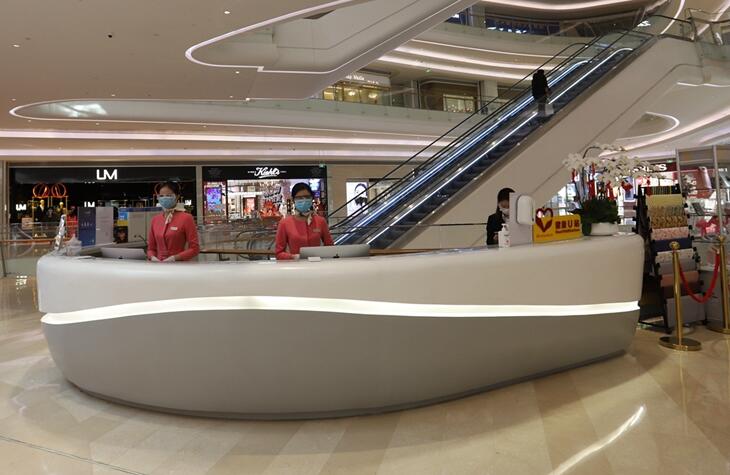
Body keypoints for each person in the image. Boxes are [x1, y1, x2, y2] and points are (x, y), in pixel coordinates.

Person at [275, 183, 334, 260]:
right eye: (299, 198)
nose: (304, 200)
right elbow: (279, 253)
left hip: (317, 265)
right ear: (293, 200)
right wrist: (293, 257)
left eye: (307, 197)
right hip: (296, 265)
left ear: (312, 198)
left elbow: (330, 247)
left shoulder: (320, 221)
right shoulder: (285, 223)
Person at [147, 181, 199, 262]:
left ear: (177, 196)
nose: (164, 198)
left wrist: (175, 258)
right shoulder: (155, 220)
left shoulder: (186, 218)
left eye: (168, 195)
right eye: (161, 196)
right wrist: (152, 257)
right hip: (159, 266)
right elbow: (151, 249)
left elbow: (194, 248)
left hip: (179, 265)